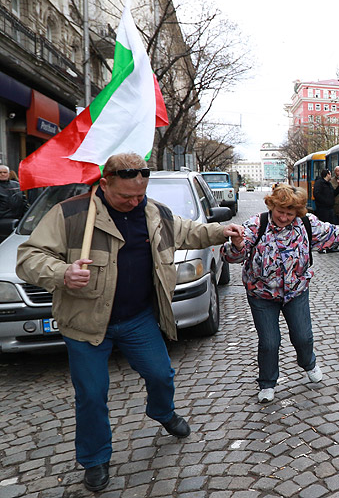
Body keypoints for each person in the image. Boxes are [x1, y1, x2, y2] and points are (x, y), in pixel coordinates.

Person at [16, 153, 244, 492]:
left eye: (139, 195)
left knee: (161, 374)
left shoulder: (153, 213)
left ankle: (162, 412)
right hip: (86, 322)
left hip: (137, 319)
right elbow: (28, 257)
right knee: (92, 395)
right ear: (104, 183)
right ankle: (95, 459)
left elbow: (190, 232)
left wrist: (222, 231)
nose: (133, 202)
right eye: (125, 197)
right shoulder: (71, 213)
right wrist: (62, 273)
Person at [223, 185, 339, 404]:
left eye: (290, 213)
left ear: (298, 213)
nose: (284, 217)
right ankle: (267, 383)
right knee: (269, 342)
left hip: (296, 291)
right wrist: (236, 245)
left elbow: (332, 232)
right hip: (261, 294)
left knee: (303, 337)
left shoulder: (306, 224)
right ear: (271, 205)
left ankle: (308, 363)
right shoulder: (257, 224)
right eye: (280, 211)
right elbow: (232, 257)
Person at [0, 164, 28, 239]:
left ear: (9, 174)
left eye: (5, 172)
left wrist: (27, 215)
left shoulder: (17, 185)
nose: (2, 174)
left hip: (19, 221)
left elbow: (24, 202)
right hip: (3, 222)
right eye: (0, 172)